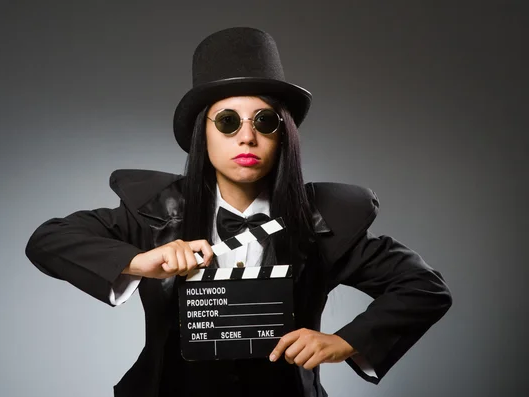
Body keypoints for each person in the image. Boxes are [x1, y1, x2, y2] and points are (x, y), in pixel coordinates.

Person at [25, 27, 452, 397]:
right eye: (228, 121)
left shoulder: (323, 224)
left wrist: (346, 341)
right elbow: (47, 240)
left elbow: (424, 288)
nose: (246, 137)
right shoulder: (153, 214)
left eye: (265, 122)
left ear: (283, 137)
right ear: (202, 135)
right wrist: (139, 261)